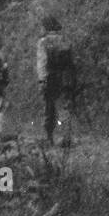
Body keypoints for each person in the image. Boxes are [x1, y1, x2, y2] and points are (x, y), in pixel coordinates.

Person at [35, 15, 77, 145]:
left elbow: (42, 62)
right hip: (65, 78)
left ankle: (49, 137)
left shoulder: (43, 42)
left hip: (50, 78)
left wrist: (41, 80)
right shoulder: (65, 40)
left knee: (49, 109)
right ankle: (67, 138)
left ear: (46, 27)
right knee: (65, 107)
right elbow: (72, 62)